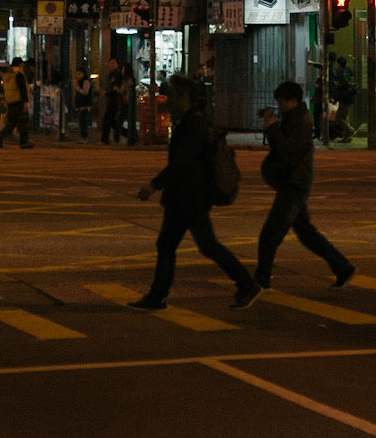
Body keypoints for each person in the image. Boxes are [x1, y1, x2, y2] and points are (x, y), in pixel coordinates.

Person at [131, 75, 258, 309]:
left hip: (190, 197)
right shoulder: (190, 121)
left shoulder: (194, 124)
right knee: (179, 245)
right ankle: (158, 295)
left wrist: (153, 185)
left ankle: (246, 284)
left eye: (171, 96)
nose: (168, 101)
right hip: (185, 196)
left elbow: (182, 162)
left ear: (185, 97)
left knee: (191, 245)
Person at [255, 80, 354, 291]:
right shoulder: (293, 116)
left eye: (281, 102)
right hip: (292, 181)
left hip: (294, 183)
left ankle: (260, 280)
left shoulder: (300, 121)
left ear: (292, 101)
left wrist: (272, 128)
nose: (279, 106)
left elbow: (286, 150)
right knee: (306, 233)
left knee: (270, 235)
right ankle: (342, 266)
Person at [0, 58, 32, 148]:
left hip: (10, 101)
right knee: (23, 122)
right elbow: (22, 89)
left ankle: (0, 135)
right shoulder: (19, 74)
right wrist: (25, 102)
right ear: (20, 65)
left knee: (12, 122)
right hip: (19, 101)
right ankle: (24, 142)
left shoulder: (8, 75)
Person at [72, 69, 94, 143]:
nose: (78, 76)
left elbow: (85, 92)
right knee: (81, 121)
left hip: (85, 105)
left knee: (83, 121)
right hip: (81, 105)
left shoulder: (86, 81)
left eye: (79, 74)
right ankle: (83, 137)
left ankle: (85, 137)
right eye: (77, 74)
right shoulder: (79, 82)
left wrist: (77, 87)